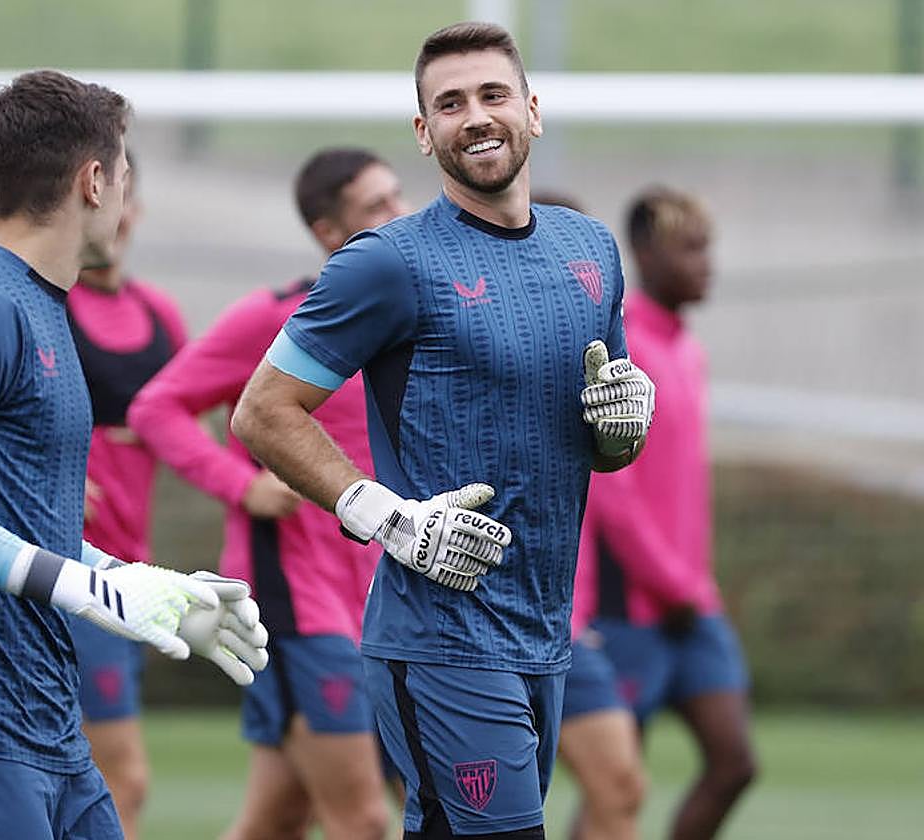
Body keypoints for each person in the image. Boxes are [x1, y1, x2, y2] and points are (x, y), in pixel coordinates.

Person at [231, 22, 657, 839]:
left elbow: (609, 447)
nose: (477, 116)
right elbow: (263, 410)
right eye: (451, 104)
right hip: (441, 638)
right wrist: (387, 519)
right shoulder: (385, 262)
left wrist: (624, 428)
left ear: (532, 110)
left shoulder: (592, 249)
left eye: (494, 95)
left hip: (546, 633)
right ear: (425, 134)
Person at [0, 70, 268, 840]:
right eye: (123, 175)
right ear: (94, 180)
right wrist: (91, 591)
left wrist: (142, 586)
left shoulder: (40, 307)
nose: (125, 198)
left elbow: (20, 521)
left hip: (44, 725)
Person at [129, 147, 408, 840]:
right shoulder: (275, 317)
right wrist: (241, 485)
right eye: (375, 206)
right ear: (326, 232)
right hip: (298, 602)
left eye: (397, 197)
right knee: (363, 819)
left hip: (381, 597)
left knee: (277, 818)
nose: (399, 214)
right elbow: (157, 407)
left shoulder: (409, 321)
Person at [576, 187, 757, 840]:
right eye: (690, 249)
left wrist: (692, 586)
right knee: (614, 787)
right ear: (645, 255)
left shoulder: (688, 350)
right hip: (632, 607)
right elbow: (612, 493)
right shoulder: (624, 350)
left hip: (691, 603)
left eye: (707, 248)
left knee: (734, 763)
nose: (707, 264)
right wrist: (667, 582)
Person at [66, 154, 189, 839]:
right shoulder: (46, 305)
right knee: (122, 780)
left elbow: (197, 415)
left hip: (132, 565)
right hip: (67, 569)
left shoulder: (157, 313)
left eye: (123, 195)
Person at [531, 190, 646, 840]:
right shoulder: (451, 332)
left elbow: (603, 485)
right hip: (469, 617)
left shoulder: (602, 348)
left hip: (564, 623)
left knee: (620, 786)